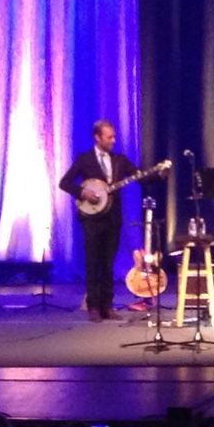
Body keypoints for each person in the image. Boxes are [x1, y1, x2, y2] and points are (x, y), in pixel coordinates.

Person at [59, 120, 167, 322]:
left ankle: (107, 306)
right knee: (93, 262)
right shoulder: (85, 159)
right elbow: (64, 183)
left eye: (114, 136)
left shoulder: (119, 160)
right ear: (97, 138)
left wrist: (159, 175)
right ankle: (93, 307)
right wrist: (83, 191)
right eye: (109, 137)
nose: (113, 140)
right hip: (91, 219)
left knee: (108, 263)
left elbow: (139, 177)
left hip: (112, 218)